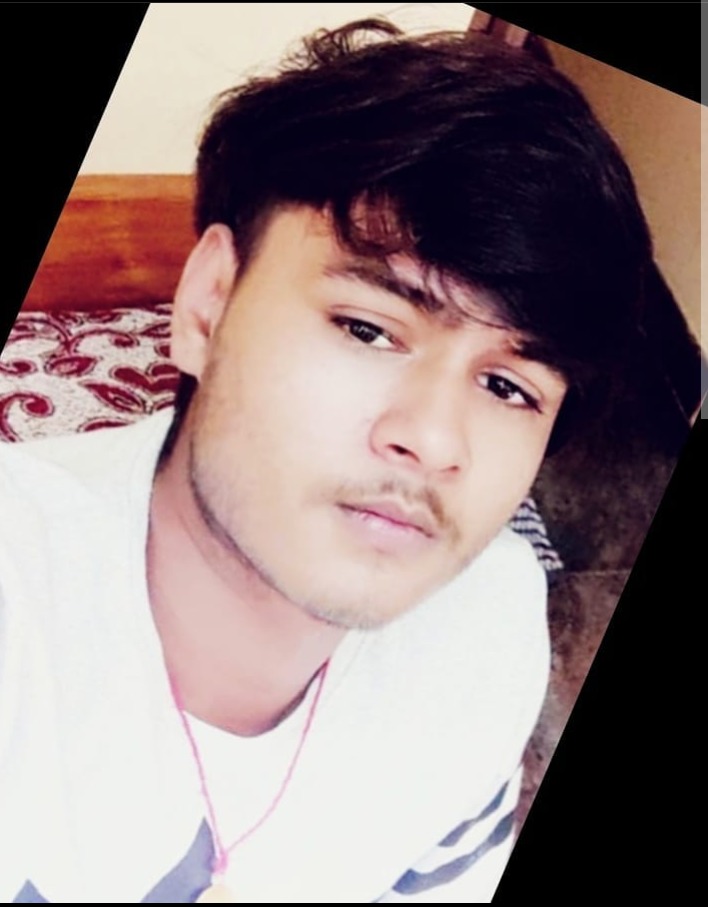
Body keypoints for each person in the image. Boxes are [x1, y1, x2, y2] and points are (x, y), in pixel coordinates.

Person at [0, 17, 652, 904]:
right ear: (208, 304)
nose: (434, 439)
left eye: (508, 387)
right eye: (368, 329)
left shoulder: (490, 625)